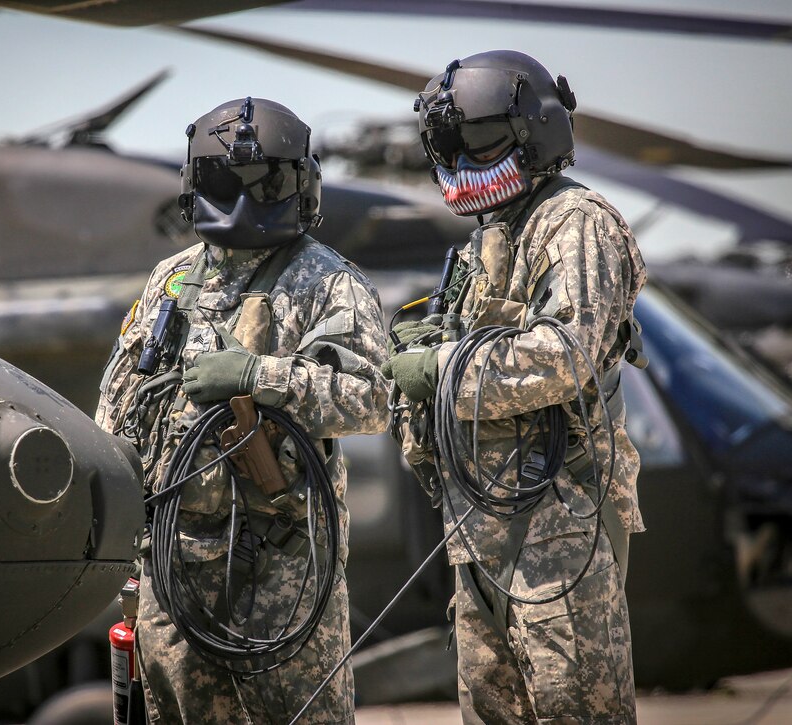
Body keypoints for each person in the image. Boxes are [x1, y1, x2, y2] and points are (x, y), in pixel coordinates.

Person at [95, 96, 390, 725]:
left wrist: (263, 377)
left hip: (280, 567)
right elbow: (119, 402)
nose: (245, 200)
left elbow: (371, 399)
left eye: (267, 183)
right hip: (173, 564)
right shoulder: (172, 279)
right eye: (227, 182)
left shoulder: (328, 282)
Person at [382, 51, 648, 723]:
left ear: (533, 132)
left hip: (561, 535)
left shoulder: (575, 222)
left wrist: (443, 368)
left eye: (479, 141)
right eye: (451, 145)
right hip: (482, 537)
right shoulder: (488, 240)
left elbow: (568, 355)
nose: (465, 161)